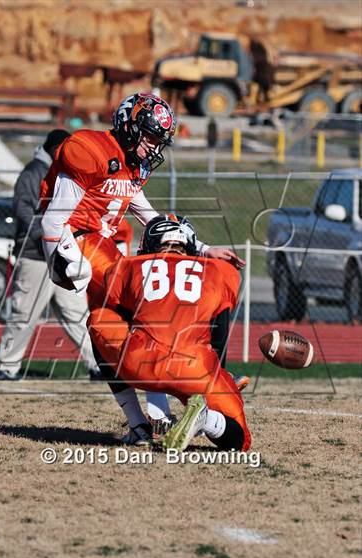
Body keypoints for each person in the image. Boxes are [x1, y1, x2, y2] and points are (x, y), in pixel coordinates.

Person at [40, 92, 245, 437]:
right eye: (150, 137)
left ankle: (141, 422)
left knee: (105, 332)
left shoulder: (132, 165)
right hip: (79, 243)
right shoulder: (90, 151)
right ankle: (190, 391)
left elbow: (148, 215)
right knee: (144, 312)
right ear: (130, 127)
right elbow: (52, 221)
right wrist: (62, 258)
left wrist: (202, 248)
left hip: (101, 246)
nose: (154, 147)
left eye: (158, 140)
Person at [88, 215, 251, 452]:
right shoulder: (219, 271)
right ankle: (209, 419)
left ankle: (137, 425)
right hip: (196, 370)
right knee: (240, 440)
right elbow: (219, 332)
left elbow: (119, 313)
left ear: (148, 245)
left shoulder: (127, 267)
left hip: (141, 363)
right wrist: (219, 376)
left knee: (98, 319)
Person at [0, 130, 100, 380]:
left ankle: (98, 364)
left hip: (61, 255)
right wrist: (49, 234)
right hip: (35, 255)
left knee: (77, 315)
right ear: (55, 149)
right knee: (23, 314)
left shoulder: (68, 173)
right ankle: (4, 366)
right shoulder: (33, 172)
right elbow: (23, 211)